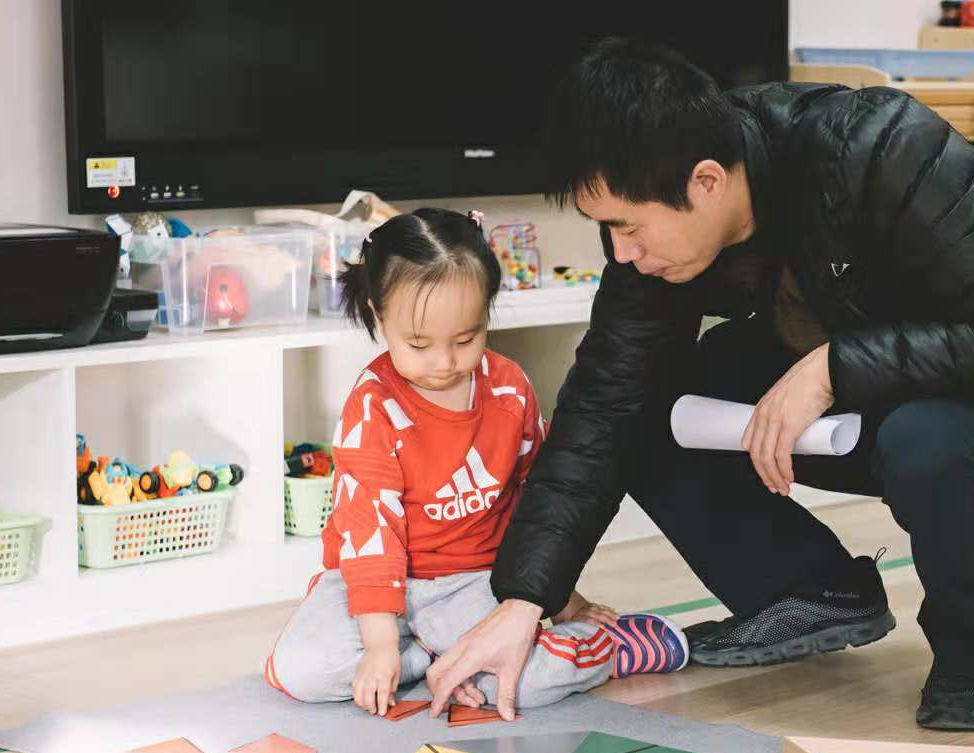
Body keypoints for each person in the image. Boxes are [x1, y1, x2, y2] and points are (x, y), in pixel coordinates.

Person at [425, 40, 974, 731]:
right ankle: (812, 591)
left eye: (628, 227)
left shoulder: (884, 145)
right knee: (645, 408)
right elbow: (605, 404)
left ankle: (973, 654)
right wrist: (524, 602)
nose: (622, 253)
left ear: (706, 182)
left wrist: (832, 368)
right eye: (607, 230)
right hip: (868, 368)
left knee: (930, 442)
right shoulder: (658, 230)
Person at [264, 207, 690, 716]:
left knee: (523, 684)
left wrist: (565, 602)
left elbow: (541, 503)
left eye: (466, 339)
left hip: (475, 582)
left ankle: (608, 648)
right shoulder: (373, 406)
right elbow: (369, 533)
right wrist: (379, 646)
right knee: (302, 670)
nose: (445, 363)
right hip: (374, 584)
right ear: (379, 316)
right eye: (418, 344)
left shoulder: (509, 390)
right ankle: (434, 660)